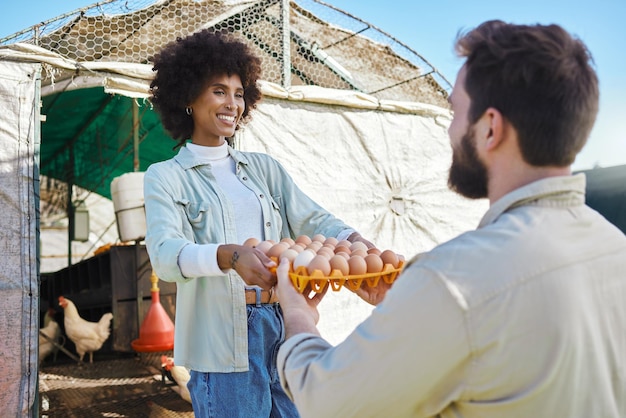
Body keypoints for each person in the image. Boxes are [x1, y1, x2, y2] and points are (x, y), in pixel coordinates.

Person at [275, 20, 626, 418]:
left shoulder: (455, 279)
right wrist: (410, 309)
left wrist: (299, 316)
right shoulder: (615, 249)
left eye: (455, 111)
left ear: (490, 128)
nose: (450, 130)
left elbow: (327, 400)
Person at [144, 30, 373, 418]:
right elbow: (166, 255)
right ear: (187, 97)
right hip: (220, 338)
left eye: (238, 92)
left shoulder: (264, 169)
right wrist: (230, 256)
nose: (232, 103)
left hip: (281, 322)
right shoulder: (166, 176)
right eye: (219, 91)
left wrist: (355, 241)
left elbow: (313, 217)